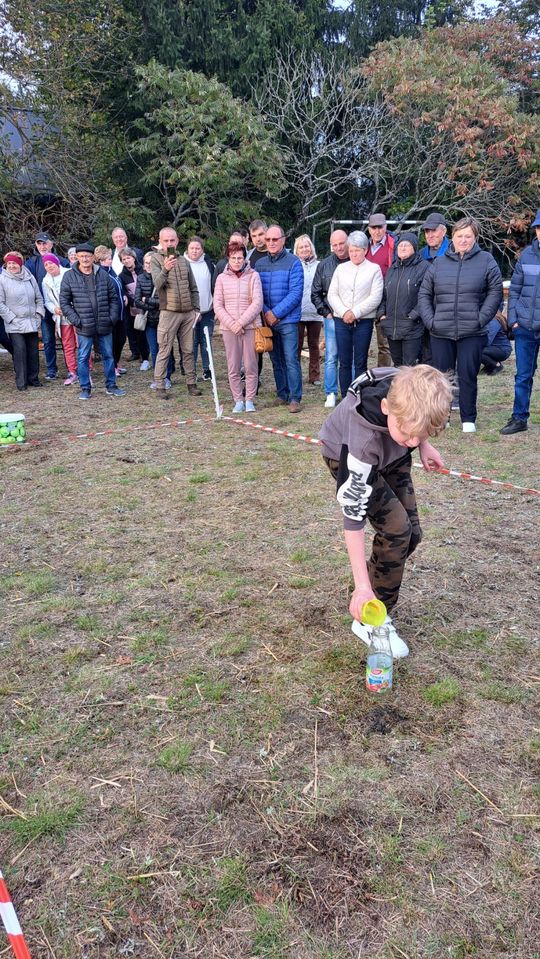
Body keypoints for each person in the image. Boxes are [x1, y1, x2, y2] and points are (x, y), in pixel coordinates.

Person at [319, 364, 452, 658]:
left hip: (391, 454)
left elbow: (414, 426)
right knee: (396, 531)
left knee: (411, 535)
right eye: (410, 434)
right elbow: (353, 520)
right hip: (348, 457)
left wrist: (423, 444)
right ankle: (371, 618)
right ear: (385, 407)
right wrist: (363, 586)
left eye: (423, 434)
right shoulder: (362, 442)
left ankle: (367, 590)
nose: (414, 442)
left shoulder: (407, 389)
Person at [418, 216, 502, 433]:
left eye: (468, 236)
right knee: (443, 377)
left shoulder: (486, 260)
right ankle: (442, 417)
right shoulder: (439, 263)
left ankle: (468, 418)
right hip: (441, 330)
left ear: (475, 237)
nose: (463, 240)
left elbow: (495, 292)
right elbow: (425, 294)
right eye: (459, 236)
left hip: (472, 331)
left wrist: (480, 319)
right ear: (452, 237)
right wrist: (431, 321)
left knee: (468, 375)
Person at [59, 242, 125, 400]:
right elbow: (64, 302)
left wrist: (112, 318)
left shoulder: (103, 274)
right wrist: (76, 320)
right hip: (83, 325)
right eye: (81, 256)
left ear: (93, 257)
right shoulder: (69, 276)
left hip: (104, 323)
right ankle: (85, 388)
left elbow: (114, 298)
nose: (85, 259)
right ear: (77, 258)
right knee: (83, 357)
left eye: (87, 256)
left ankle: (111, 385)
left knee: (109, 356)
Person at [254, 224, 304, 413]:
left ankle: (295, 397)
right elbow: (257, 293)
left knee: (291, 358)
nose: (271, 243)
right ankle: (282, 394)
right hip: (268, 320)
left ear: (283, 240)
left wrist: (275, 313)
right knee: (275, 359)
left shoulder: (294, 262)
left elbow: (296, 293)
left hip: (288, 320)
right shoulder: (259, 264)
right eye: (268, 240)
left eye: (275, 239)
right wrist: (267, 312)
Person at [327, 231, 384, 397]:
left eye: (357, 250)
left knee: (360, 362)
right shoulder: (341, 268)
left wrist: (355, 312)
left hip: (363, 322)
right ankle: (345, 396)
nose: (354, 254)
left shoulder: (374, 269)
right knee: (344, 361)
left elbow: (375, 297)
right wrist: (345, 312)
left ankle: (359, 395)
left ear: (365, 250)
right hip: (341, 320)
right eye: (351, 251)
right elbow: (332, 294)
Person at [150, 226, 202, 401]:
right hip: (168, 312)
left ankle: (191, 383)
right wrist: (165, 269)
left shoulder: (184, 260)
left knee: (188, 350)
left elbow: (193, 287)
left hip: (187, 313)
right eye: (166, 241)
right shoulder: (156, 260)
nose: (169, 243)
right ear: (160, 241)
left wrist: (196, 309)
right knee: (164, 349)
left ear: (177, 241)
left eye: (172, 240)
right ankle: (160, 385)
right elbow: (157, 285)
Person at [500, 209, 540, 435]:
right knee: (523, 375)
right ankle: (519, 418)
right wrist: (513, 319)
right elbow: (514, 289)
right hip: (525, 327)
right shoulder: (526, 255)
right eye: (538, 228)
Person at [214, 241, 263, 413]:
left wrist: (241, 322)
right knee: (233, 366)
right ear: (228, 258)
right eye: (234, 257)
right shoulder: (221, 278)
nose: (237, 261)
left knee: (250, 365)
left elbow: (258, 302)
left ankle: (249, 399)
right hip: (229, 329)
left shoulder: (253, 276)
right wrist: (232, 324)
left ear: (244, 258)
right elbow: (218, 305)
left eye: (240, 257)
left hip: (249, 327)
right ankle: (238, 400)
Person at [377, 232, 429, 367]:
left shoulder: (424, 267)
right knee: (397, 365)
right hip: (391, 326)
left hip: (412, 327)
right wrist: (382, 314)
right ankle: (399, 389)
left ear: (415, 248)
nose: (403, 248)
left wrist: (412, 316)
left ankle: (411, 389)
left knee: (410, 367)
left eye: (407, 245)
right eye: (400, 245)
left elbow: (427, 295)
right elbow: (383, 294)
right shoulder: (392, 269)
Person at [311, 229, 349, 409]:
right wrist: (325, 312)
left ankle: (350, 391)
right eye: (335, 244)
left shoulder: (357, 262)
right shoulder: (324, 265)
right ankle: (331, 392)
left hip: (352, 318)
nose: (339, 247)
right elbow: (315, 293)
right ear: (331, 245)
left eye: (342, 243)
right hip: (332, 317)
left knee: (350, 356)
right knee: (332, 356)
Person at [25, 231, 69, 380]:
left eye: (45, 243)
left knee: (67, 339)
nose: (42, 246)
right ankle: (52, 369)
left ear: (51, 244)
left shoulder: (63, 261)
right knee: (48, 340)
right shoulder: (31, 263)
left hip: (63, 309)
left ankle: (72, 367)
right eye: (39, 243)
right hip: (44, 309)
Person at [0, 252, 44, 391]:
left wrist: (38, 315)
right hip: (14, 322)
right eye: (9, 263)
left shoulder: (30, 277)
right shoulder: (2, 280)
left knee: (33, 351)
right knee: (20, 351)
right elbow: (0, 303)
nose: (12, 266)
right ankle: (21, 382)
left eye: (14, 263)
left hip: (31, 321)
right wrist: (11, 318)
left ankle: (33, 379)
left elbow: (39, 298)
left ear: (20, 264)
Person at [134, 252, 174, 388]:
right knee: (155, 350)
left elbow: (167, 301)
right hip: (149, 321)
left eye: (152, 262)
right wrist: (152, 304)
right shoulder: (140, 278)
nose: (149, 265)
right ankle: (159, 378)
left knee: (166, 349)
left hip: (165, 319)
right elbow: (137, 301)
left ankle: (167, 376)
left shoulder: (166, 277)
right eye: (147, 263)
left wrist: (148, 300)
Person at [42, 254, 78, 385]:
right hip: (61, 317)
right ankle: (72, 371)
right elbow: (47, 301)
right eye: (46, 264)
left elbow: (79, 292)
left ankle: (85, 369)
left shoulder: (69, 273)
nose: (49, 266)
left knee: (81, 343)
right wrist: (54, 309)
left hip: (76, 314)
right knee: (68, 345)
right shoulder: (45, 281)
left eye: (51, 263)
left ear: (56, 263)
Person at [184, 237, 215, 381]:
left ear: (202, 250)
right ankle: (191, 371)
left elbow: (214, 286)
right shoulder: (183, 264)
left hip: (207, 311)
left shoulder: (209, 264)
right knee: (191, 343)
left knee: (206, 341)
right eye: (192, 248)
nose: (195, 251)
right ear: (187, 249)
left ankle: (207, 369)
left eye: (198, 248)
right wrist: (193, 310)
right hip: (189, 312)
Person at [365, 214, 395, 367]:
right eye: (373, 228)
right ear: (369, 229)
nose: (377, 231)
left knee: (384, 345)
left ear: (385, 227)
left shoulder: (393, 246)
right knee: (362, 343)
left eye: (380, 227)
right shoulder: (364, 246)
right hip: (364, 300)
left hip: (385, 300)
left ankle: (382, 379)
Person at [293, 235, 322, 385]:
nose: (304, 249)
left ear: (311, 248)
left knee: (313, 344)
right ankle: (295, 375)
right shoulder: (294, 265)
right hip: (298, 312)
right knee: (296, 345)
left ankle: (314, 376)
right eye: (301, 247)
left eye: (307, 246)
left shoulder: (319, 265)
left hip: (315, 312)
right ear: (296, 250)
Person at [93, 246, 126, 377]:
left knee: (121, 339)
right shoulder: (100, 274)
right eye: (108, 259)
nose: (110, 260)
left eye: (110, 258)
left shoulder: (112, 271)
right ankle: (112, 367)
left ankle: (116, 363)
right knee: (111, 342)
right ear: (101, 260)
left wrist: (123, 295)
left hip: (121, 313)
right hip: (110, 314)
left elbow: (119, 286)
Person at [118, 247, 150, 370]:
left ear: (134, 258)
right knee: (138, 332)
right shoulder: (122, 276)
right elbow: (124, 292)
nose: (126, 261)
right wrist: (134, 301)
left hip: (148, 305)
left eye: (128, 258)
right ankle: (142, 355)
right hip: (133, 308)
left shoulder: (143, 270)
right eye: (124, 259)